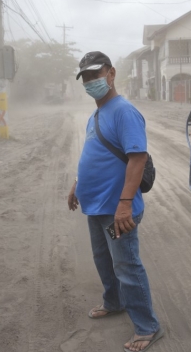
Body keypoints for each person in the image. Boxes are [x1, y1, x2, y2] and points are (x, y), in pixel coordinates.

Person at [67, 51, 164, 352]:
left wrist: (125, 204)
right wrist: (77, 184)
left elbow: (137, 158)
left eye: (96, 75)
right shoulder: (96, 115)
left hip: (117, 212)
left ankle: (148, 326)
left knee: (126, 265)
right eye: (86, 77)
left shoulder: (124, 111)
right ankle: (114, 301)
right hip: (95, 206)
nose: (91, 81)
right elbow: (94, 155)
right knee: (103, 259)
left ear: (111, 74)